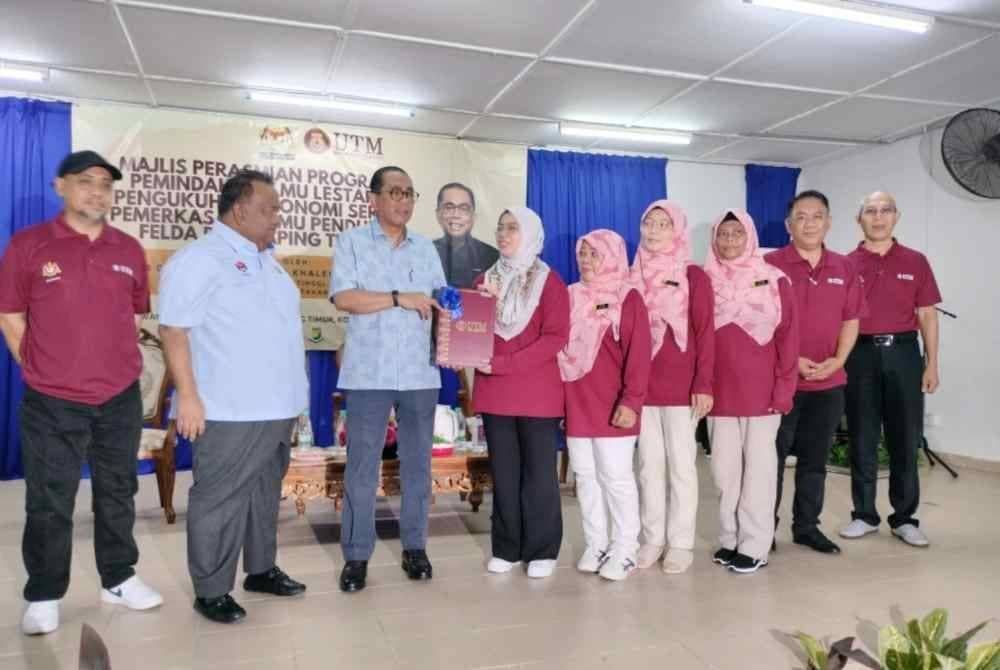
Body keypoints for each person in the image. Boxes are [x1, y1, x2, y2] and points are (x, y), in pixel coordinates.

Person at [0, 150, 163, 636]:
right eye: (86, 181)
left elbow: (134, 317)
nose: (98, 191)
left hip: (118, 397)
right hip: (52, 399)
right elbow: (10, 316)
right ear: (60, 186)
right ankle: (45, 592)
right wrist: (40, 367)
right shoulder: (28, 245)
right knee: (50, 499)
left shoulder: (128, 249)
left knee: (119, 490)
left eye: (106, 185)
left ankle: (118, 577)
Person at [159, 169, 308, 624]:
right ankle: (211, 588)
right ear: (240, 210)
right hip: (229, 409)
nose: (278, 217)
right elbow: (173, 329)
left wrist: (296, 403)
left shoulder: (269, 261)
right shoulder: (200, 259)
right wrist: (187, 397)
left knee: (264, 495)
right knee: (219, 499)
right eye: (271, 209)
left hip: (276, 408)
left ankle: (260, 569)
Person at [329, 166, 445, 592]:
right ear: (372, 199)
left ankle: (415, 547)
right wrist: (398, 298)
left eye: (410, 193)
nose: (404, 200)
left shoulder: (426, 249)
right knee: (362, 468)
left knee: (418, 465)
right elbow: (344, 297)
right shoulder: (352, 243)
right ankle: (356, 555)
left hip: (419, 372)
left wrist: (459, 315)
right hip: (369, 373)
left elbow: (439, 303)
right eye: (395, 192)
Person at [764, 190, 864, 555]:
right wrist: (791, 359)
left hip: (828, 381)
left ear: (829, 222)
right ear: (790, 225)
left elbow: (851, 319)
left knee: (814, 462)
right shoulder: (771, 265)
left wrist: (839, 360)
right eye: (801, 217)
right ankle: (764, 530)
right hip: (781, 383)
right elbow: (761, 322)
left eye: (817, 216)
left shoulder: (845, 266)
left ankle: (806, 527)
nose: (809, 223)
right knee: (769, 461)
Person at [840, 191, 941, 548]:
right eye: (870, 211)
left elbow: (927, 315)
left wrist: (932, 364)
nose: (878, 217)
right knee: (863, 438)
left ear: (896, 216)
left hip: (903, 354)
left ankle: (905, 518)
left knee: (904, 439)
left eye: (885, 211)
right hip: (860, 355)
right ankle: (864, 515)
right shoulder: (845, 263)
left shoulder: (916, 261)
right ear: (859, 219)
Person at [473, 207, 569, 579]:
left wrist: (503, 365)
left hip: (537, 393)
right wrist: (461, 348)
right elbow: (472, 328)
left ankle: (542, 549)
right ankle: (507, 547)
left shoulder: (551, 283)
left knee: (539, 475)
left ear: (530, 234)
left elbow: (555, 339)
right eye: (500, 227)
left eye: (512, 228)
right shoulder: (485, 280)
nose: (503, 234)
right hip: (497, 393)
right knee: (505, 473)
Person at [704, 210, 798, 574]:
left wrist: (784, 388)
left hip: (763, 393)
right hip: (718, 394)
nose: (729, 241)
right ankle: (730, 539)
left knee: (759, 472)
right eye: (723, 234)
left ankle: (755, 544)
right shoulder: (703, 280)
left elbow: (789, 338)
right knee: (724, 473)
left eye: (736, 233)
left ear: (750, 237)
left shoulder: (774, 279)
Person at [559, 229, 650, 581]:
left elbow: (639, 356)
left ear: (612, 255)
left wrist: (632, 401)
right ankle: (597, 544)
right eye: (582, 253)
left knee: (616, 477)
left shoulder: (628, 298)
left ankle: (626, 548)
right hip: (577, 400)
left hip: (614, 402)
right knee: (585, 476)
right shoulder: (569, 296)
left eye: (594, 253)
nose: (586, 260)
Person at [631, 200, 715, 574]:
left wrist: (704, 382)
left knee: (682, 466)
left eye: (663, 224)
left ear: (677, 230)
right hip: (641, 386)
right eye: (649, 222)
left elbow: (705, 333)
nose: (654, 230)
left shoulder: (693, 275)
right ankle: (652, 538)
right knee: (648, 466)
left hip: (682, 387)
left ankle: (680, 542)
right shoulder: (630, 274)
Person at [432, 182, 499, 289]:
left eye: (464, 209)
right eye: (449, 207)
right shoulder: (424, 253)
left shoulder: (492, 257)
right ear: (438, 214)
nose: (456, 215)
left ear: (473, 217)